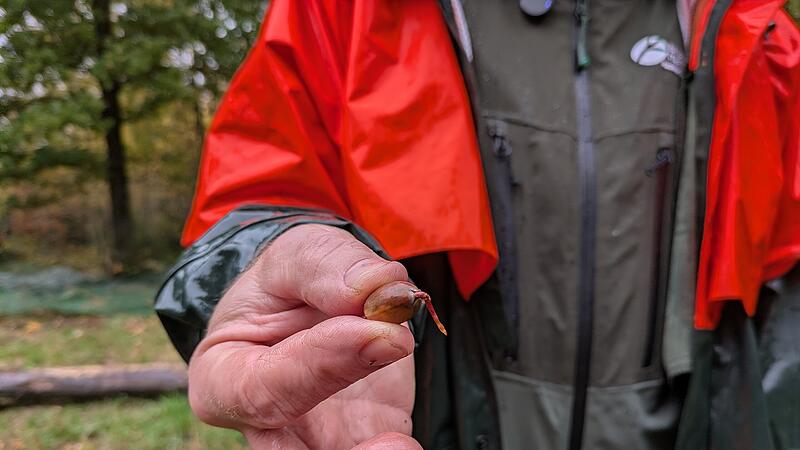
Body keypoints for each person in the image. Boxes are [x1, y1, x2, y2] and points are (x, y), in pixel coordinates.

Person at [155, 1, 800, 449]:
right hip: (417, 422)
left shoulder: (757, 32)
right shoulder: (347, 12)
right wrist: (259, 271)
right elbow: (250, 198)